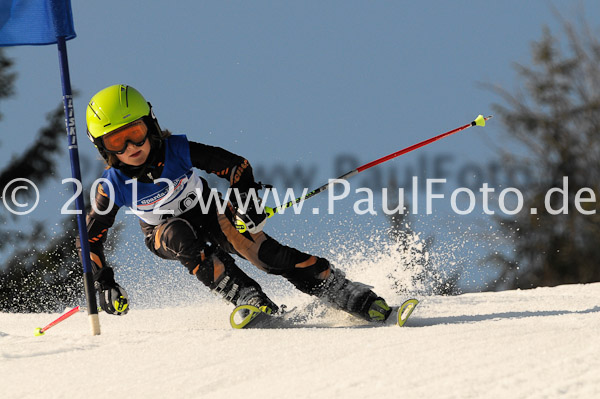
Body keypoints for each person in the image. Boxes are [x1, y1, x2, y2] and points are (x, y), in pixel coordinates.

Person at [78, 84, 392, 323]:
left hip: (209, 212)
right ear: (103, 148)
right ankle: (247, 296)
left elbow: (235, 166)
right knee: (180, 236)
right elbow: (90, 238)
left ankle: (342, 291)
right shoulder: (112, 185)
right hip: (162, 232)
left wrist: (245, 201)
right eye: (116, 141)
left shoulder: (176, 150)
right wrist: (105, 282)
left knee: (268, 255)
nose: (131, 146)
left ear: (151, 125)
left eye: (135, 132)